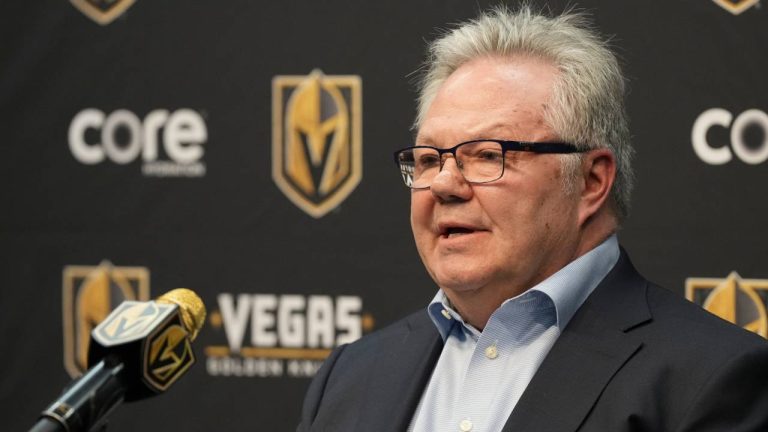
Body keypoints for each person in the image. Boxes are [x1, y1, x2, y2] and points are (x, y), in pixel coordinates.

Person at [298, 6, 768, 432]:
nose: (443, 184)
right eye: (427, 159)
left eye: (487, 155)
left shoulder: (710, 379)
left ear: (591, 181)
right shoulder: (351, 374)